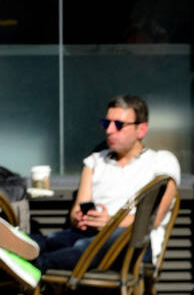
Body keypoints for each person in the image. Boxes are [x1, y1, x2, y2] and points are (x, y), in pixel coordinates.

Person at [28, 94, 179, 275]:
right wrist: (83, 218)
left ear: (141, 130)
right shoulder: (95, 161)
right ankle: (14, 247)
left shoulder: (162, 161)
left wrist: (110, 222)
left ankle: (35, 266)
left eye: (119, 125)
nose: (109, 131)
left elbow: (153, 219)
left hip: (134, 246)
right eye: (107, 124)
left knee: (102, 241)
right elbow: (76, 212)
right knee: (52, 240)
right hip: (89, 235)